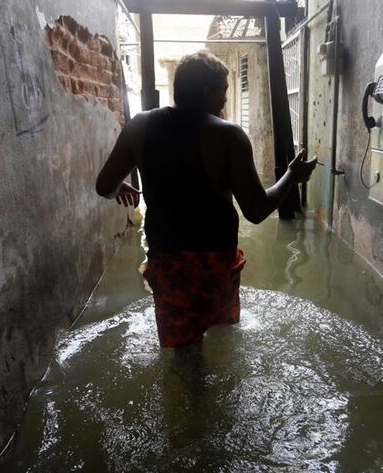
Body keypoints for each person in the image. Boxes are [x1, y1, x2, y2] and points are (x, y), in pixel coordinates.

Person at [95, 50, 317, 347]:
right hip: (214, 264)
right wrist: (292, 176)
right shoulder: (228, 136)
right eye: (224, 92)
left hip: (167, 262)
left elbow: (103, 186)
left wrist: (119, 186)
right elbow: (256, 210)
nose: (225, 99)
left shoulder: (140, 126)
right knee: (223, 344)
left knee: (183, 356)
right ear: (207, 92)